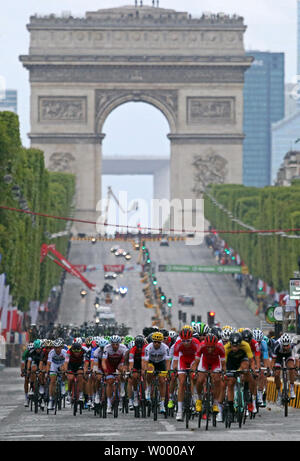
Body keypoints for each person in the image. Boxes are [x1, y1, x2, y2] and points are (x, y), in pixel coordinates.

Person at [194, 333, 226, 422]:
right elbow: (196, 361)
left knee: (217, 380)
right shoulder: (201, 346)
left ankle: (215, 403)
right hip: (204, 362)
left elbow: (223, 363)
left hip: (216, 363)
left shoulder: (220, 347)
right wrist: (195, 371)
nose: (210, 349)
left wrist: (223, 372)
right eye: (208, 347)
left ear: (216, 345)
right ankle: (199, 400)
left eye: (212, 347)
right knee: (200, 380)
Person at [172, 325, 201, 421]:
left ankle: (195, 400)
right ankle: (179, 411)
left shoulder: (196, 343)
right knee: (181, 382)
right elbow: (175, 360)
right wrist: (175, 369)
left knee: (193, 379)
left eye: (187, 341)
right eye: (183, 340)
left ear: (191, 339)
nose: (185, 343)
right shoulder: (178, 344)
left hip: (193, 359)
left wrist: (195, 369)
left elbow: (198, 359)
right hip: (183, 360)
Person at [142, 331, 170, 414]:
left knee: (162, 381)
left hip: (161, 363)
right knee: (149, 371)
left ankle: (162, 403)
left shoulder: (165, 348)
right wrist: (145, 370)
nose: (156, 344)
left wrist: (167, 371)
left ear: (161, 342)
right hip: (151, 362)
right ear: (152, 341)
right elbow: (145, 362)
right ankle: (148, 388)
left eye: (158, 342)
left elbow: (168, 361)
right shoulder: (148, 348)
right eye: (155, 342)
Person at [101, 335, 127, 414]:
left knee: (121, 372)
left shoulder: (123, 348)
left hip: (119, 363)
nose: (115, 346)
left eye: (117, 344)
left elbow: (126, 361)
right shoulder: (107, 348)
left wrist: (125, 370)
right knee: (109, 381)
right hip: (110, 365)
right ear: (111, 344)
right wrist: (105, 370)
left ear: (119, 344)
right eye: (113, 344)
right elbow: (103, 361)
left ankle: (122, 388)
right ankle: (109, 404)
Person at [271, 333, 297, 405]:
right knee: (276, 374)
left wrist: (296, 368)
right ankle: (279, 394)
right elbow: (273, 360)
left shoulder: (293, 345)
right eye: (284, 345)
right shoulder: (277, 345)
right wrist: (272, 369)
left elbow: (297, 359)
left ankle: (292, 389)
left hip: (289, 356)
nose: (286, 347)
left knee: (291, 368)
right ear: (281, 343)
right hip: (278, 357)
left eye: (287, 345)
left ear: (290, 343)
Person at [46, 338, 68, 410]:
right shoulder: (51, 352)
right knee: (52, 381)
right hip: (54, 365)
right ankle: (51, 399)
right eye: (55, 347)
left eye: (58, 347)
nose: (57, 349)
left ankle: (63, 384)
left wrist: (64, 370)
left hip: (62, 364)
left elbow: (66, 363)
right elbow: (48, 364)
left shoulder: (65, 352)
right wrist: (47, 372)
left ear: (61, 347)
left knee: (64, 370)